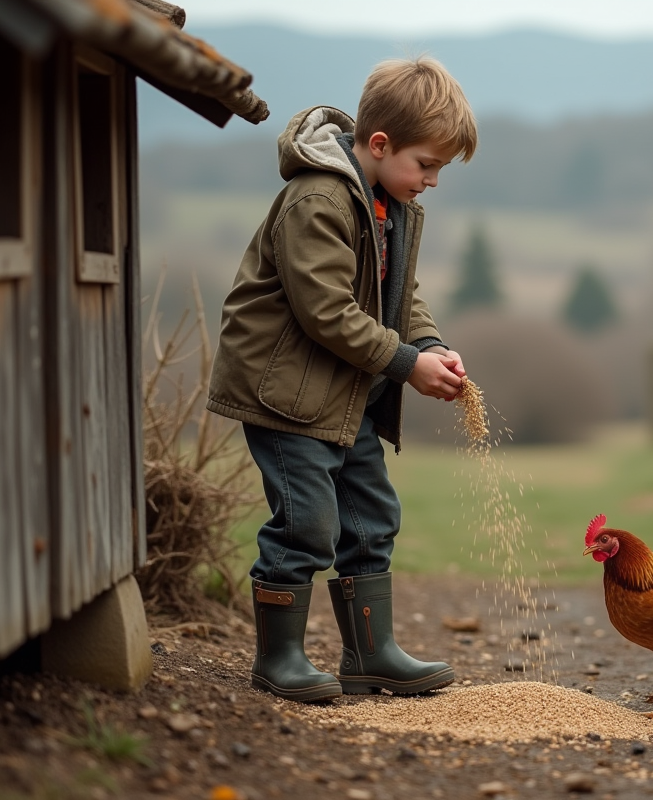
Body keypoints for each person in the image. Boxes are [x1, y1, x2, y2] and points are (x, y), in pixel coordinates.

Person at [206, 57, 477, 702]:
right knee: (307, 523)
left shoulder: (393, 204)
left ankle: (371, 654)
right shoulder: (319, 198)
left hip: (346, 391)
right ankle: (279, 658)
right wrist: (408, 365)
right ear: (379, 145)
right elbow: (326, 311)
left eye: (441, 169)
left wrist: (430, 344)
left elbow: (400, 296)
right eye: (427, 165)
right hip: (286, 394)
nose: (433, 181)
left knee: (371, 516)